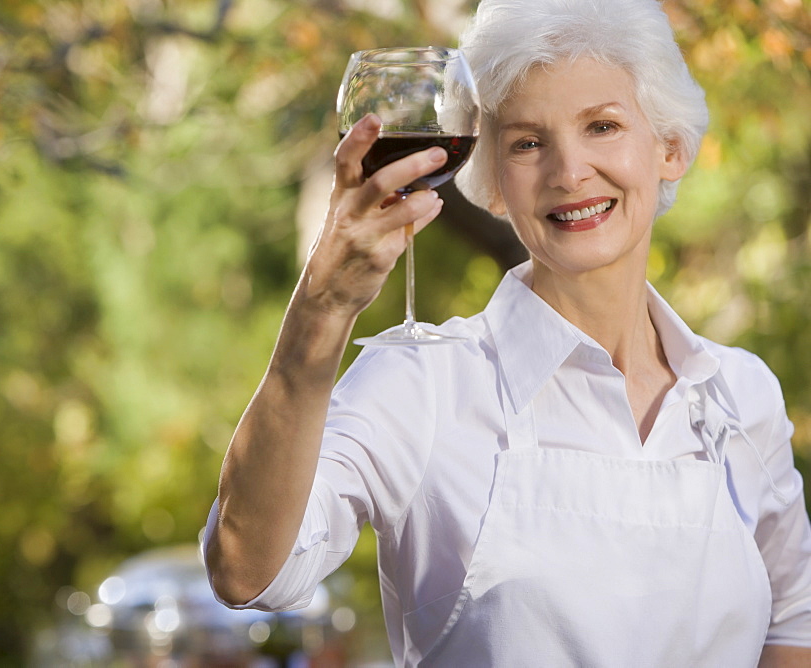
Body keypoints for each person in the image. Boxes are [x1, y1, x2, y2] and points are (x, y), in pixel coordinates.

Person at [201, 0, 811, 664]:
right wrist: (319, 314)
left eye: (602, 126)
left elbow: (793, 627)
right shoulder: (424, 385)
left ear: (670, 148)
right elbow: (246, 571)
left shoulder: (741, 395)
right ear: (491, 181)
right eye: (527, 141)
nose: (568, 171)